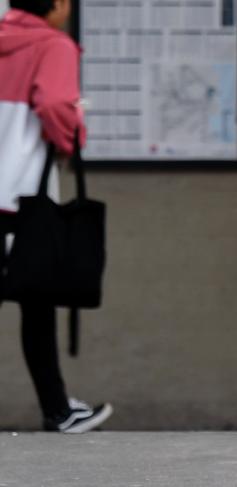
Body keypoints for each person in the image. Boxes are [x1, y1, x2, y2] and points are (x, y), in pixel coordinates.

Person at [0, 0, 113, 433]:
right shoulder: (52, 45)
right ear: (58, 4)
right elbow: (53, 105)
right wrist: (74, 134)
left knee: (38, 303)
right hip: (22, 200)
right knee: (38, 302)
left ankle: (59, 407)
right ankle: (58, 410)